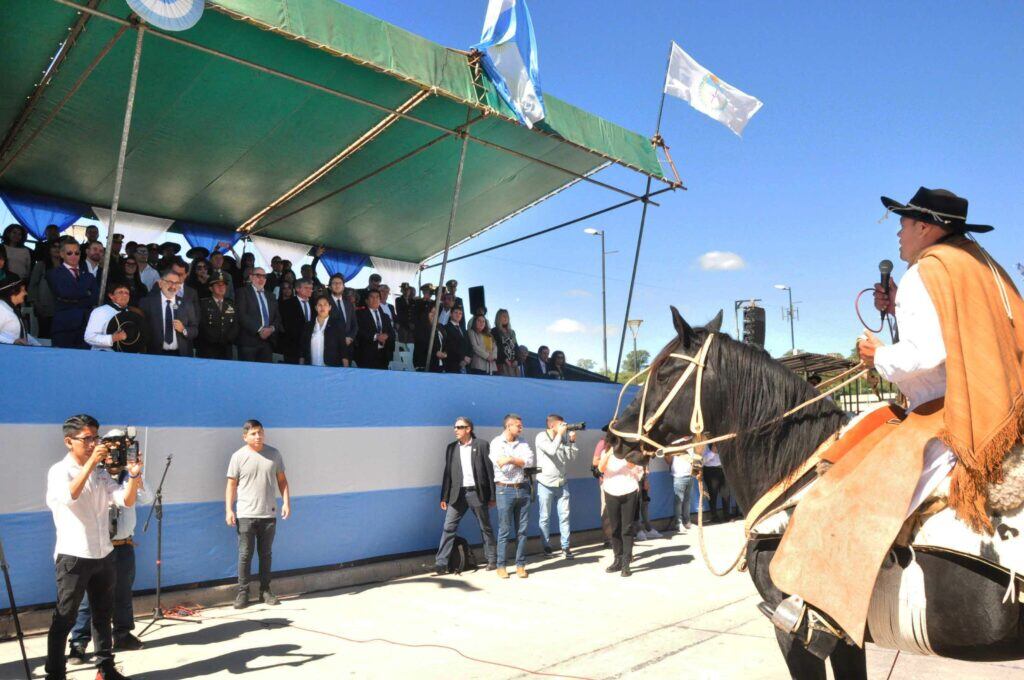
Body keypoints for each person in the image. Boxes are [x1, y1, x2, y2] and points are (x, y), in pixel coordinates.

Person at [771, 187, 1024, 652]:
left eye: (904, 224)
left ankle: (822, 615)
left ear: (926, 227)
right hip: (1004, 402)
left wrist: (877, 353)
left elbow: (927, 355)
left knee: (846, 489)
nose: (899, 235)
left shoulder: (928, 271)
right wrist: (897, 311)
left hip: (950, 412)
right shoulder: (977, 264)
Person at [45, 414, 143, 680]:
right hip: (74, 555)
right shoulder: (59, 471)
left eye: (95, 438)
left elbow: (125, 500)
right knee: (65, 617)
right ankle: (55, 673)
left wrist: (134, 476)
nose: (93, 443)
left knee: (103, 614)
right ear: (69, 441)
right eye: (87, 438)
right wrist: (91, 462)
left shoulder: (100, 472)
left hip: (104, 553)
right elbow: (69, 495)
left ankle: (105, 668)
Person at [69, 431, 154, 662]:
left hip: (124, 545)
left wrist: (135, 473)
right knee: (89, 599)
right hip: (99, 547)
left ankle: (123, 634)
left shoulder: (131, 476)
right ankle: (79, 641)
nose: (115, 456)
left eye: (122, 449)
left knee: (123, 593)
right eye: (112, 450)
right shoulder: (95, 475)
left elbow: (147, 498)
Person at [226, 419, 290, 609]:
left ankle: (265, 591)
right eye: (253, 433)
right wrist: (229, 509)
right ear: (244, 436)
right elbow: (231, 484)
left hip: (268, 514)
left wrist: (286, 502)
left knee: (266, 554)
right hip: (245, 514)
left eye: (260, 432)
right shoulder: (238, 457)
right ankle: (243, 592)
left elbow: (283, 481)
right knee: (245, 554)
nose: (258, 436)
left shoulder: (274, 454)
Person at [434, 417, 497, 574]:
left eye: (459, 427)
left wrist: (492, 496)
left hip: (476, 493)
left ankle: (492, 560)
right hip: (457, 494)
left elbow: (490, 472)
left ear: (468, 429)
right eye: (455, 427)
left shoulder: (481, 445)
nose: (456, 430)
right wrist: (444, 496)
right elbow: (447, 473)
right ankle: (441, 563)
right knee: (448, 527)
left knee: (485, 527)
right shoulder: (451, 448)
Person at [489, 414, 535, 579]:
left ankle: (520, 564)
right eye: (518, 426)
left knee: (522, 530)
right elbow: (502, 467)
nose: (521, 428)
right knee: (504, 529)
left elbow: (529, 461)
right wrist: (517, 461)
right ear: (508, 426)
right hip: (504, 490)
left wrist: (510, 459)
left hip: (522, 488)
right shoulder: (496, 443)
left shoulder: (523, 442)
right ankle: (501, 565)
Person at [534, 415, 579, 558]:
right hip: (545, 484)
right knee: (545, 517)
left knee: (564, 516)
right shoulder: (541, 437)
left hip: (562, 483)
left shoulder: (562, 438)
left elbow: (571, 458)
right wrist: (560, 434)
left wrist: (572, 442)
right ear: (552, 425)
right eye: (561, 424)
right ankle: (546, 547)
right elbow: (552, 450)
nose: (564, 427)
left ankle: (565, 547)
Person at [597, 444, 643, 577]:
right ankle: (617, 559)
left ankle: (626, 563)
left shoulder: (633, 452)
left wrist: (627, 455)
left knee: (627, 528)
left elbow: (634, 468)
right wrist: (610, 452)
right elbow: (600, 468)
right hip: (611, 491)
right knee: (615, 527)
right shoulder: (607, 452)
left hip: (629, 491)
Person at [47, 239, 98, 348]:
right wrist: (86, 293)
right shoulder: (54, 273)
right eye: (69, 253)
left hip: (85, 325)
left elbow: (94, 297)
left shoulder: (88, 275)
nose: (74, 256)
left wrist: (76, 295)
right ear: (62, 254)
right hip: (64, 324)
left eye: (77, 253)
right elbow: (64, 292)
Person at [140, 270, 197, 357]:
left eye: (177, 283)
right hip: (154, 355)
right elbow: (141, 329)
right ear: (160, 283)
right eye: (170, 282)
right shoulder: (147, 303)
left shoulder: (187, 304)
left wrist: (183, 330)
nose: (173, 286)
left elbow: (195, 330)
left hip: (180, 355)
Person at [235, 267, 281, 362]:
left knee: (265, 375)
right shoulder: (242, 292)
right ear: (251, 277)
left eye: (264, 276)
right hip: (248, 342)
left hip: (267, 343)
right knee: (248, 374)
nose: (261, 279)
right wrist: (260, 329)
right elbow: (241, 315)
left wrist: (271, 329)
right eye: (258, 276)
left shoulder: (271, 296)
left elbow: (277, 317)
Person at [197, 272, 238, 360]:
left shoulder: (231, 304)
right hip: (208, 348)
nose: (221, 287)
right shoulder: (203, 304)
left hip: (226, 348)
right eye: (217, 285)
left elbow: (236, 324)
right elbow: (202, 325)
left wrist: (228, 339)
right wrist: (215, 340)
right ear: (211, 288)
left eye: (223, 285)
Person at [84, 282, 132, 351]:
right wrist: (112, 338)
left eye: (127, 293)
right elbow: (89, 337)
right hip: (103, 355)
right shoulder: (100, 311)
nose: (124, 295)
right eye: (120, 292)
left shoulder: (130, 313)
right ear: (111, 296)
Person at [302, 295, 347, 367]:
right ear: (316, 308)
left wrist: (345, 369)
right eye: (319, 305)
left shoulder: (337, 325)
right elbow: (303, 348)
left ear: (330, 307)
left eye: (325, 305)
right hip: (310, 367)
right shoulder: (308, 325)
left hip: (330, 368)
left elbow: (343, 348)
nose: (322, 307)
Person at [29, 240, 61, 339]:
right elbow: (32, 285)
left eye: (59, 247)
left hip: (62, 308)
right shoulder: (41, 265)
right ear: (48, 249)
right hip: (44, 306)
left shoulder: (67, 266)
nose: (57, 249)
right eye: (54, 246)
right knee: (44, 335)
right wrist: (35, 303)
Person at [355, 289, 394, 369]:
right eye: (372, 297)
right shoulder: (359, 314)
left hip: (383, 356)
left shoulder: (385, 316)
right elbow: (359, 332)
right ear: (366, 300)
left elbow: (392, 333)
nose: (375, 299)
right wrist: (376, 336)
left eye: (377, 297)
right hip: (366, 356)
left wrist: (386, 335)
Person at [279, 278, 314, 364]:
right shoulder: (287, 304)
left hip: (311, 347)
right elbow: (287, 326)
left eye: (311, 288)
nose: (310, 290)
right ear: (297, 289)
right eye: (306, 288)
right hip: (293, 348)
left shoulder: (315, 304)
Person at [0, 275, 40, 345]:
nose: (26, 293)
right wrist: (13, 341)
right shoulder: (1, 308)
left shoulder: (13, 309)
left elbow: (21, 334)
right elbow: (15, 339)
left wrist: (37, 345)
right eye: (23, 290)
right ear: (13, 292)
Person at [326, 273, 357, 366]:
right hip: (332, 347)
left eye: (339, 283)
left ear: (343, 286)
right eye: (334, 283)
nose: (337, 285)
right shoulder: (324, 302)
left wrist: (350, 338)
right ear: (330, 287)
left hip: (348, 347)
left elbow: (354, 325)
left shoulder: (349, 304)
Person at [665, 451, 697, 532]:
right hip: (678, 477)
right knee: (679, 501)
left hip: (690, 476)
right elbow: (667, 458)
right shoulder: (674, 444)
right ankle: (678, 523)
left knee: (687, 501)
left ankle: (687, 522)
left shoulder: (690, 444)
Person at [413, 305, 445, 372]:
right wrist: (435, 352)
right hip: (425, 364)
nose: (434, 315)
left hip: (439, 364)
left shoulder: (440, 327)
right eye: (431, 312)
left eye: (436, 313)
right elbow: (422, 345)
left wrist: (445, 352)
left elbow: (446, 342)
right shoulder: (421, 328)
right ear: (426, 314)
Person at [701, 445, 727, 523]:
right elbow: (702, 460)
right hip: (710, 470)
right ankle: (714, 516)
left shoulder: (720, 442)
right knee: (712, 494)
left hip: (722, 469)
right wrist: (712, 452)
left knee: (726, 493)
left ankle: (726, 514)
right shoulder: (705, 445)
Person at [442, 307, 471, 373]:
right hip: (452, 364)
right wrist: (463, 357)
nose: (458, 315)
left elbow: (469, 345)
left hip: (466, 365)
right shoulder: (445, 328)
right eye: (456, 312)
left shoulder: (464, 330)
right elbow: (449, 345)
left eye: (460, 313)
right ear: (450, 314)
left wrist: (469, 357)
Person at [491, 309, 518, 377]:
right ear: (498, 318)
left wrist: (517, 360)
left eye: (507, 316)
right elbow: (496, 347)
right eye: (503, 316)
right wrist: (504, 359)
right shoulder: (494, 331)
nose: (506, 318)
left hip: (513, 364)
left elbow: (516, 346)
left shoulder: (512, 332)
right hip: (501, 364)